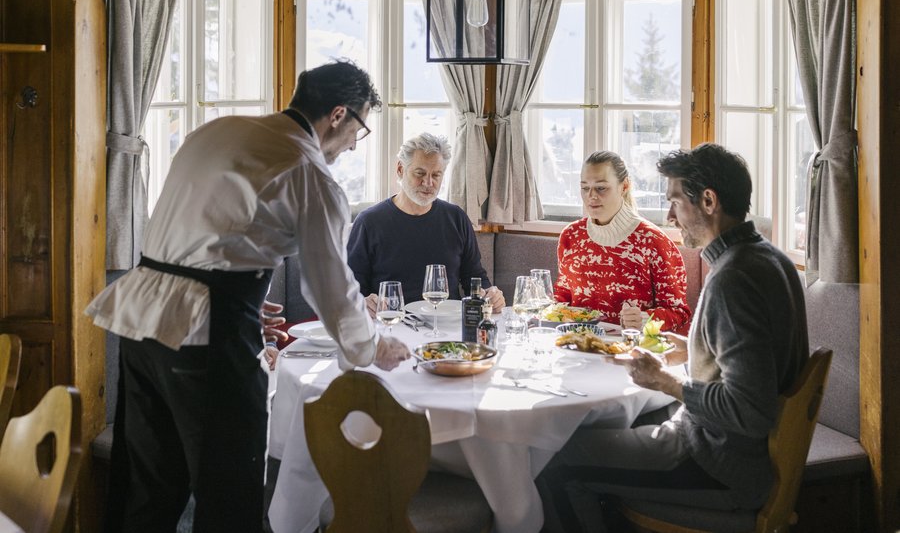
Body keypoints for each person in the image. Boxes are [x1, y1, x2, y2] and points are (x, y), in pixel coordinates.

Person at [86, 60, 410, 533]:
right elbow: (329, 287)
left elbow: (200, 239)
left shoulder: (219, 132)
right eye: (358, 129)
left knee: (147, 490)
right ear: (339, 115)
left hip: (143, 324)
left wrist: (240, 304)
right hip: (206, 336)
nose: (353, 145)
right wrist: (374, 345)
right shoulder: (308, 172)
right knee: (229, 494)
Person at [539, 143, 810, 532]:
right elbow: (749, 356)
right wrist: (689, 348)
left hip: (719, 461)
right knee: (612, 424)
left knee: (555, 457)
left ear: (709, 200)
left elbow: (749, 410)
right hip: (734, 446)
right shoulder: (768, 257)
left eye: (675, 202)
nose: (669, 215)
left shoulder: (733, 279)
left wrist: (663, 381)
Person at [347, 132, 504, 315]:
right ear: (400, 169)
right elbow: (351, 289)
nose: (428, 183)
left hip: (447, 327)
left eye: (436, 175)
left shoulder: (456, 218)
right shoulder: (369, 222)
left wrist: (490, 295)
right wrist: (363, 303)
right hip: (392, 326)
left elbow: (475, 279)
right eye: (420, 173)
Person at [555, 151, 691, 333]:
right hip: (577, 346)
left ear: (624, 186)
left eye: (601, 188)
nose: (591, 196)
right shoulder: (571, 235)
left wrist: (643, 319)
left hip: (630, 351)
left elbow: (679, 313)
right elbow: (562, 299)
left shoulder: (653, 241)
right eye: (585, 188)